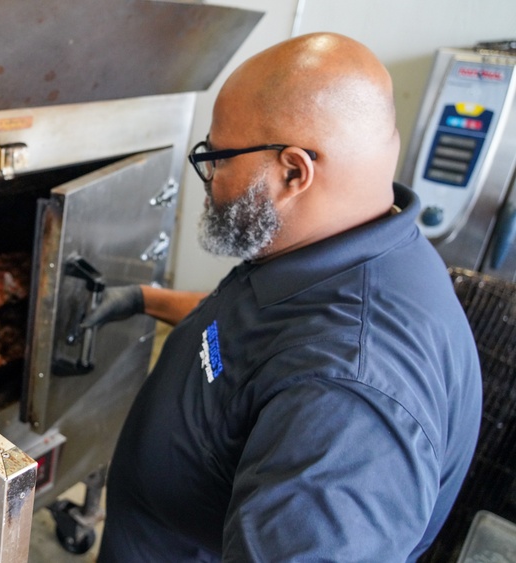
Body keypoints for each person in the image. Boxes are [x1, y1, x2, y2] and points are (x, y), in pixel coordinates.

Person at [86, 33, 483, 561]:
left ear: (294, 171)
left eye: (218, 157)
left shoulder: (347, 404)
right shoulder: (338, 252)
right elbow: (254, 343)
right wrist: (144, 298)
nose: (208, 178)